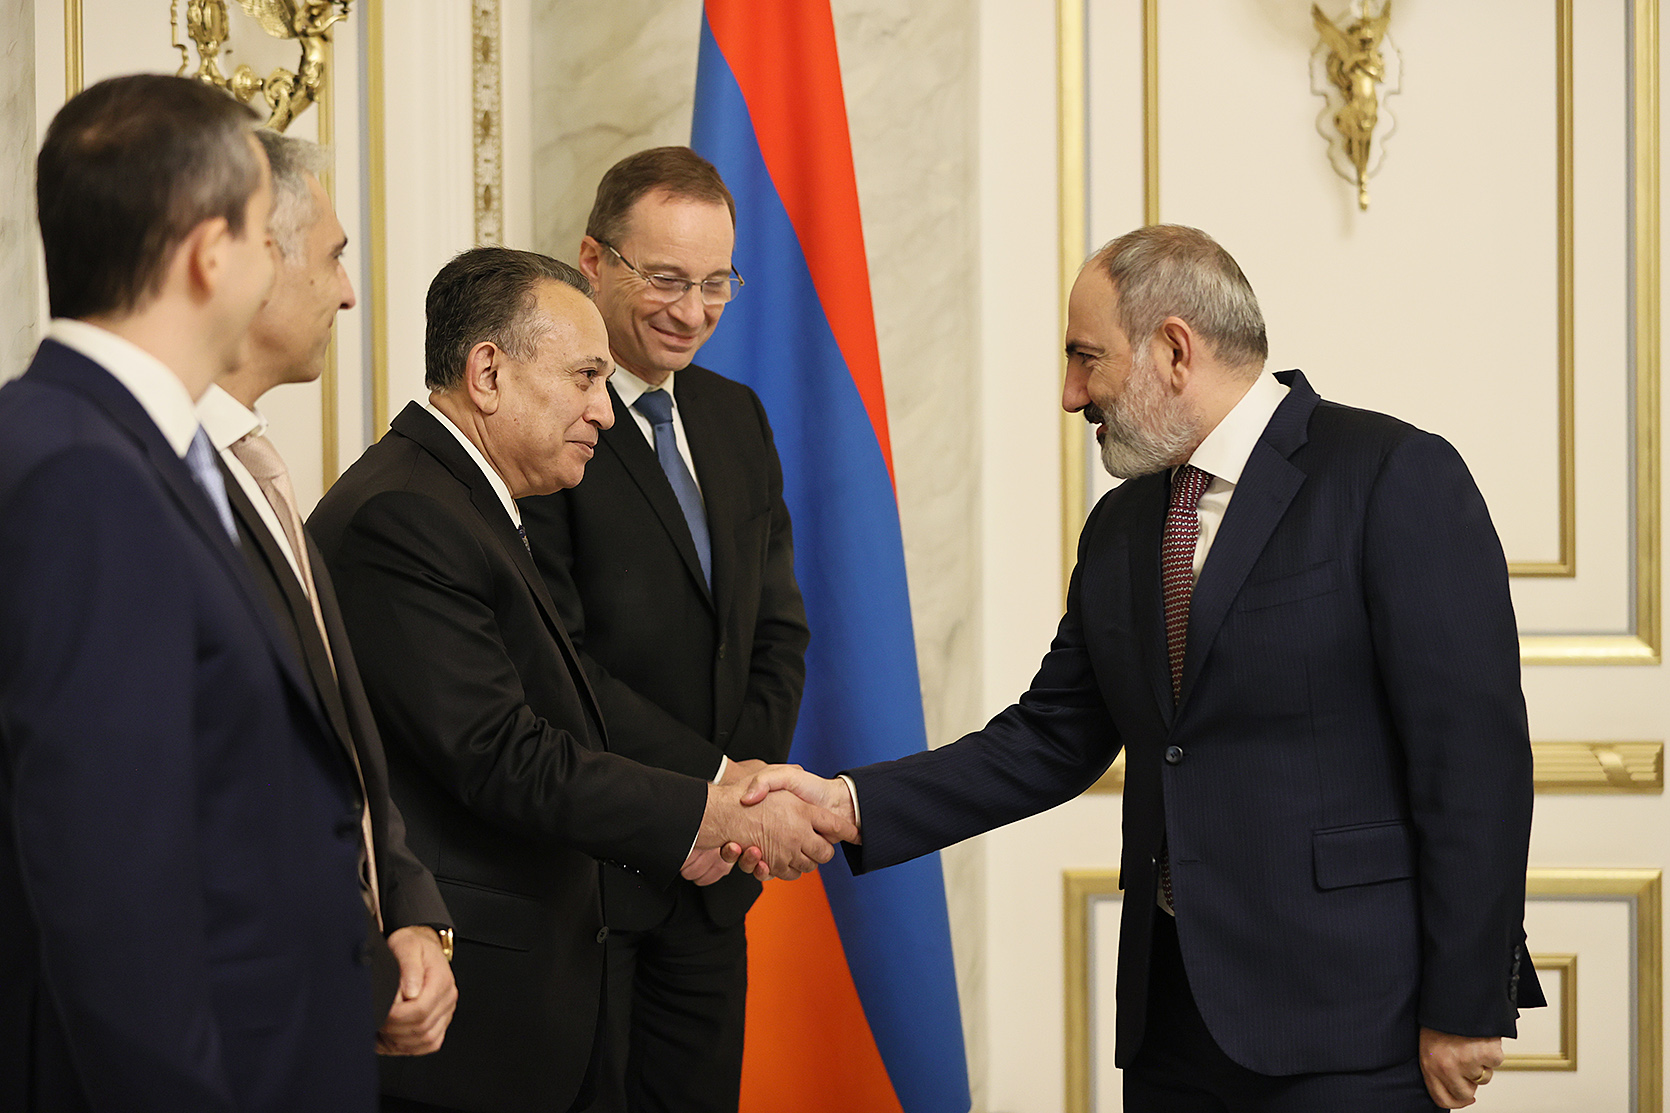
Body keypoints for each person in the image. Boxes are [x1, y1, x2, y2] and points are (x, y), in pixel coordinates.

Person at [745, 225, 1544, 1112]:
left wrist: (1467, 1001)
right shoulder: (1123, 524)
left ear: (1173, 349)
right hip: (1174, 1025)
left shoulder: (1391, 474)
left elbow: (1474, 759)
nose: (1069, 394)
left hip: (1355, 1024)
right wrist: (848, 803)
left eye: (1086, 358)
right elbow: (1050, 738)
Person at [307, 246, 853, 1113]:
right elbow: (505, 756)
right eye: (586, 377)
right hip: (465, 1023)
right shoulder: (407, 515)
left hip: (534, 996)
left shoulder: (463, 499)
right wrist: (712, 811)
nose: (604, 408)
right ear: (489, 372)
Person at [0, 74, 377, 1111]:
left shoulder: (111, 445)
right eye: (265, 237)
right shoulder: (84, 475)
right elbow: (110, 880)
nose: (315, 281)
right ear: (211, 254)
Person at [518, 146, 808, 1113]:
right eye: (667, 279)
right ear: (592, 262)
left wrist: (741, 804)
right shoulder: (543, 421)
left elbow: (777, 634)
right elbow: (558, 659)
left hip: (714, 886)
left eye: (717, 281)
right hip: (592, 883)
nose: (694, 310)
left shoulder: (736, 416)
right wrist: (706, 796)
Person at [198, 128, 457, 1058]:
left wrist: (410, 914)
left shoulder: (256, 463)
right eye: (335, 255)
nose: (349, 291)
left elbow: (344, 743)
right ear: (256, 260)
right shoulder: (150, 478)